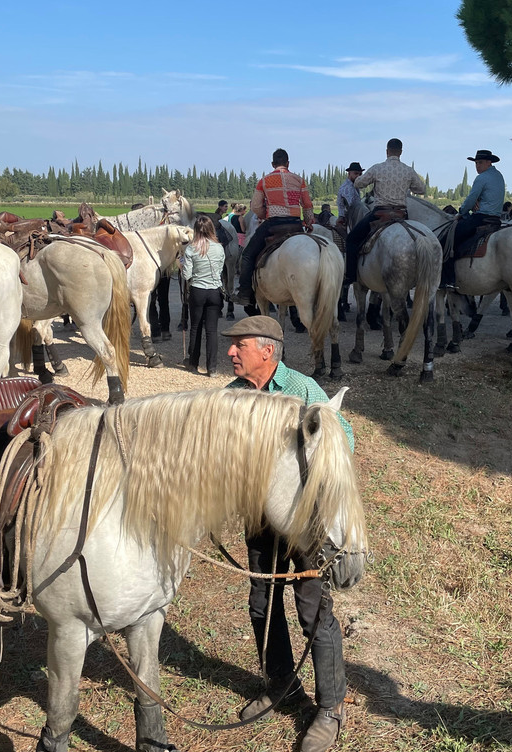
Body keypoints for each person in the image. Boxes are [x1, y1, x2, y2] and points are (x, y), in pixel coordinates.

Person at [222, 315, 354, 752]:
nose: (230, 353)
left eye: (239, 345)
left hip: (303, 522)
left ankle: (331, 707)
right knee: (262, 602)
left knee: (312, 610)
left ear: (268, 350)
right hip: (259, 518)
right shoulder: (232, 396)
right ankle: (281, 684)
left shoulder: (303, 390)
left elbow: (344, 439)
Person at [236, 148, 314, 306]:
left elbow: (256, 207)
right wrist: (308, 222)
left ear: (273, 164)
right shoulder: (299, 180)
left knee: (247, 255)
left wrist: (264, 215)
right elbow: (307, 205)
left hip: (274, 224)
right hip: (295, 224)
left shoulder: (264, 181)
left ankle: (244, 293)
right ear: (288, 163)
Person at [343, 139, 426, 285]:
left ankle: (351, 276)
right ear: (401, 152)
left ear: (387, 151)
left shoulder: (377, 168)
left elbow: (359, 183)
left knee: (351, 240)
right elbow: (422, 189)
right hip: (401, 215)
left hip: (379, 215)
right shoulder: (408, 170)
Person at [442, 149, 505, 288]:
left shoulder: (482, 177)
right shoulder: (498, 176)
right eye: (476, 163)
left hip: (481, 218)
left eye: (480, 162)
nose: (477, 166)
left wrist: (461, 212)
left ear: (489, 162)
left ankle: (448, 279)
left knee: (448, 238)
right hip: (495, 218)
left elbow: (471, 199)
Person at [180, 214, 226, 375]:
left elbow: (186, 275)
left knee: (195, 328)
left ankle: (193, 362)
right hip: (214, 291)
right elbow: (220, 270)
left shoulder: (191, 248)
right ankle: (211, 367)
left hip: (198, 290)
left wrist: (182, 265)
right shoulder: (219, 248)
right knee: (212, 331)